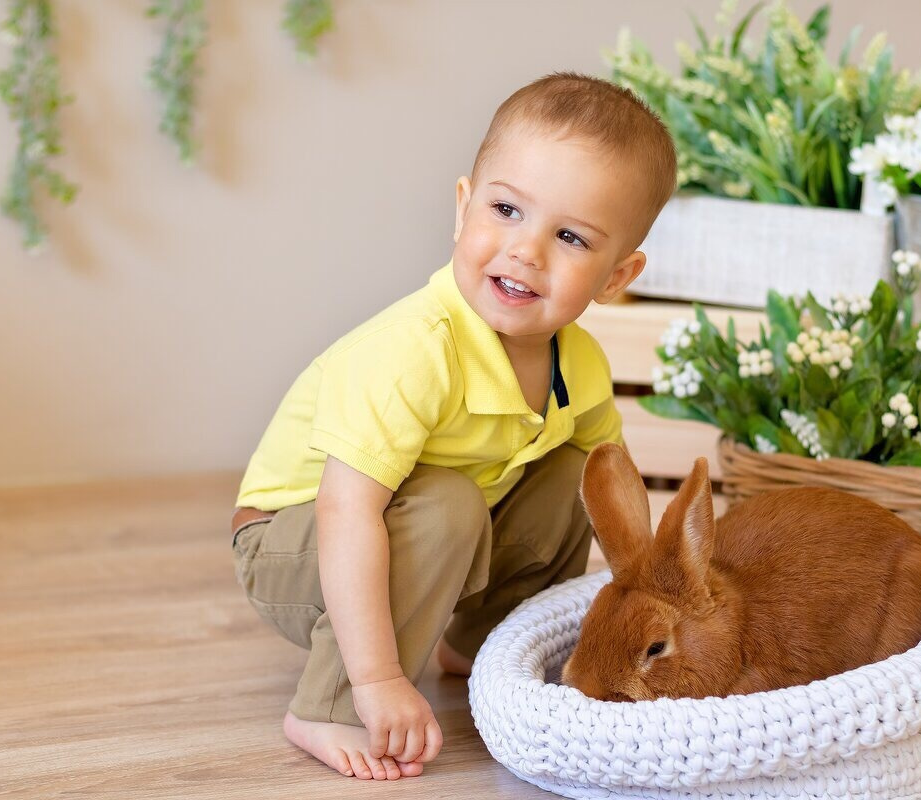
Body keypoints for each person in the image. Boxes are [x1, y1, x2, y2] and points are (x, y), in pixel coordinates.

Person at [230, 71, 677, 780]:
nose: (526, 250)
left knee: (573, 475)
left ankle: (484, 646)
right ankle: (330, 703)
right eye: (506, 210)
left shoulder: (580, 365)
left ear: (616, 277)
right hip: (297, 542)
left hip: (424, 534)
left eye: (569, 236)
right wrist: (377, 681)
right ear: (464, 206)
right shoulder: (413, 352)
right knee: (446, 502)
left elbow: (613, 494)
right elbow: (346, 512)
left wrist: (663, 590)